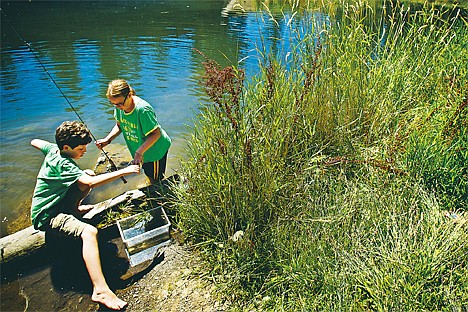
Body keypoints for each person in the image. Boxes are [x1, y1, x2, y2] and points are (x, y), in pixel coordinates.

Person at [31, 121, 141, 310]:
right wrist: (125, 171)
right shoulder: (64, 164)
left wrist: (36, 142)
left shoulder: (53, 149)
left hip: (56, 204)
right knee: (89, 232)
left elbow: (35, 141)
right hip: (48, 215)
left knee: (86, 173)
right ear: (66, 147)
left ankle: (73, 209)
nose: (84, 152)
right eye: (81, 148)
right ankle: (100, 290)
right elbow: (91, 182)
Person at [96, 79, 171, 184]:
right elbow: (119, 125)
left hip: (155, 151)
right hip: (142, 149)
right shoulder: (120, 107)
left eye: (120, 103)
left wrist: (139, 152)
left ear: (129, 94)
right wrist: (107, 140)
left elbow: (156, 133)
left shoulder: (143, 110)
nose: (118, 107)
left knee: (155, 180)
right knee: (148, 173)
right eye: (114, 104)